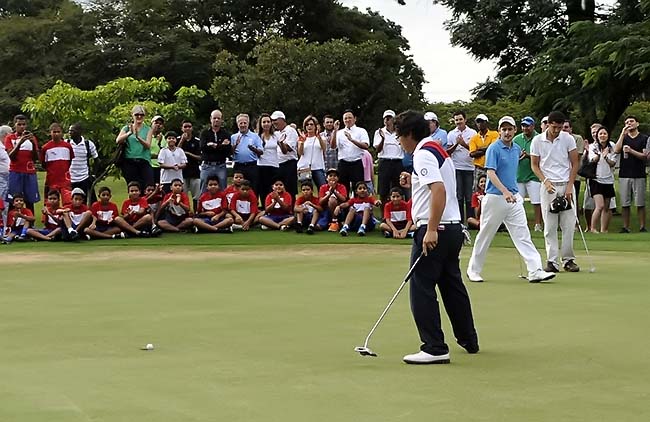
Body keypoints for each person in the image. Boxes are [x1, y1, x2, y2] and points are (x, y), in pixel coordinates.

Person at [395, 110, 479, 364]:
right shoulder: (437, 149)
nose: (399, 142)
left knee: (421, 286)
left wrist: (430, 229)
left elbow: (438, 190)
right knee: (452, 286)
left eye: (399, 137)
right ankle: (468, 339)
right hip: (453, 227)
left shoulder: (421, 153)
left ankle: (434, 347)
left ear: (409, 134)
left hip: (436, 229)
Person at [466, 116, 556, 283]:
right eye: (504, 129)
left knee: (523, 235)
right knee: (486, 234)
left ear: (515, 130)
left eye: (510, 129)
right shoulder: (494, 148)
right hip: (495, 198)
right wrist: (504, 191)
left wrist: (510, 193)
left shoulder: (516, 149)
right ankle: (473, 270)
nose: (507, 132)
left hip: (513, 199)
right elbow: (490, 173)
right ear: (499, 131)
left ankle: (535, 270)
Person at [530, 110, 580, 273]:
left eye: (560, 127)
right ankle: (552, 261)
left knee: (568, 224)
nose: (558, 130)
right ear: (548, 124)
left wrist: (569, 186)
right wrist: (545, 181)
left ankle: (568, 260)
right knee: (550, 226)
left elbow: (574, 163)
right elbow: (535, 165)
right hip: (548, 186)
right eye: (555, 127)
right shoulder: (537, 141)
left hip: (566, 183)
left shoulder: (568, 138)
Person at [614, 115, 648, 233]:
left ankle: (642, 226)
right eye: (627, 122)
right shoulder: (624, 137)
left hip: (639, 174)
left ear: (637, 124)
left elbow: (645, 156)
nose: (629, 123)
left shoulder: (644, 138)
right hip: (624, 174)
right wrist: (622, 134)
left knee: (640, 203)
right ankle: (625, 227)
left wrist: (631, 151)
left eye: (631, 121)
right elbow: (616, 150)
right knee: (625, 203)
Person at [5, 114, 40, 211]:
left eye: (24, 124)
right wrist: (20, 142)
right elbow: (11, 156)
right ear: (14, 125)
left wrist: (33, 143)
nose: (22, 127)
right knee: (14, 199)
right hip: (15, 171)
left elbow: (36, 158)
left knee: (30, 200)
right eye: (19, 124)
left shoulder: (32, 138)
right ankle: (11, 223)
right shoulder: (10, 138)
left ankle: (30, 223)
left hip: (29, 172)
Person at [513, 116, 543, 231]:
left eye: (528, 126)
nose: (525, 128)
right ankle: (520, 224)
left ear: (533, 126)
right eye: (523, 126)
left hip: (534, 175)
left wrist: (528, 155)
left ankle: (538, 225)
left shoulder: (539, 138)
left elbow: (542, 156)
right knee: (518, 202)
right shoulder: (516, 139)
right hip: (519, 175)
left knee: (536, 201)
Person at [446, 110, 477, 223]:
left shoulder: (473, 133)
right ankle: (459, 220)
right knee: (458, 196)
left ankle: (470, 220)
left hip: (469, 167)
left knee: (469, 196)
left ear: (465, 120)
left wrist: (463, 143)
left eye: (460, 119)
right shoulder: (451, 134)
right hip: (456, 167)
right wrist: (456, 144)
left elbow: (474, 151)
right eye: (456, 120)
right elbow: (448, 152)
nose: (458, 122)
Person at [331, 110, 369, 195]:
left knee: (358, 188)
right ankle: (344, 207)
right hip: (343, 164)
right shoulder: (339, 132)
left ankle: (358, 206)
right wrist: (335, 131)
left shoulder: (361, 131)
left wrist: (352, 140)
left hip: (356, 163)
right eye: (345, 118)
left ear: (355, 119)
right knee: (343, 189)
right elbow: (333, 146)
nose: (348, 120)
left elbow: (366, 146)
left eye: (350, 118)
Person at [115, 105, 153, 190]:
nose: (139, 117)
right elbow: (118, 140)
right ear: (132, 115)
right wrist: (129, 133)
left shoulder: (148, 129)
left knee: (148, 185)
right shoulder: (126, 128)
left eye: (141, 115)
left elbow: (148, 145)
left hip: (143, 160)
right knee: (133, 186)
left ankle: (145, 202)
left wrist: (138, 137)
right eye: (137, 115)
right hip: (129, 161)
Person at [587, 127, 617, 233]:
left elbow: (613, 162)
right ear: (597, 136)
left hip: (608, 180)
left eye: (605, 133)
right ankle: (593, 228)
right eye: (600, 134)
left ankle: (604, 229)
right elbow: (592, 160)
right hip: (596, 179)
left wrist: (606, 157)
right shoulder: (592, 147)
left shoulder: (612, 146)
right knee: (600, 206)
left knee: (607, 207)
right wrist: (599, 155)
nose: (602, 136)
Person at [373, 109, 404, 203]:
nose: (387, 121)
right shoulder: (379, 132)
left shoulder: (400, 132)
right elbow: (377, 150)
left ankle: (398, 212)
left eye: (389, 118)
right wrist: (383, 139)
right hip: (384, 161)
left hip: (397, 162)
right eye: (386, 119)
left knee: (397, 188)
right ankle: (384, 215)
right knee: (383, 190)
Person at [40, 122, 74, 204]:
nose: (56, 134)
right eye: (54, 132)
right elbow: (43, 164)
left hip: (65, 180)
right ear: (50, 133)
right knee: (51, 202)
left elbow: (70, 161)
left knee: (68, 202)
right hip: (52, 180)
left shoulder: (68, 146)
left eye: (58, 132)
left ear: (61, 133)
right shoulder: (45, 148)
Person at [199, 109, 231, 193]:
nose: (216, 120)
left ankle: (223, 206)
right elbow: (203, 148)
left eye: (218, 118)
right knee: (203, 188)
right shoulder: (204, 133)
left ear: (221, 120)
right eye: (214, 118)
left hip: (221, 165)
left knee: (223, 189)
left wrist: (214, 145)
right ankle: (202, 206)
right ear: (211, 119)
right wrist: (221, 145)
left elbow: (227, 150)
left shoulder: (226, 134)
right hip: (207, 165)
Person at [67, 123, 99, 203]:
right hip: (70, 178)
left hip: (84, 177)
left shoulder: (88, 144)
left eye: (72, 131)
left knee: (89, 200)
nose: (70, 133)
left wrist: (94, 174)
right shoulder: (66, 143)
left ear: (79, 132)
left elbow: (96, 159)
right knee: (71, 201)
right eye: (69, 131)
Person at [231, 113, 263, 190]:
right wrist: (235, 145)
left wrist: (253, 149)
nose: (243, 125)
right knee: (238, 189)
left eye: (245, 123)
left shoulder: (255, 136)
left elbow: (261, 152)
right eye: (240, 123)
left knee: (253, 189)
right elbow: (229, 153)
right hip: (239, 166)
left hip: (252, 166)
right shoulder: (233, 137)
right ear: (237, 124)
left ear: (248, 124)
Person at [272, 111, 299, 198]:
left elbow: (289, 148)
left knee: (289, 189)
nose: (274, 122)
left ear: (282, 119)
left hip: (289, 164)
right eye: (272, 120)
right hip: (278, 164)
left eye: (275, 120)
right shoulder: (276, 133)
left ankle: (291, 210)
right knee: (279, 190)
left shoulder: (290, 131)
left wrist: (281, 143)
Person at [177, 120, 202, 211]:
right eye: (185, 127)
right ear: (182, 128)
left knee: (196, 196)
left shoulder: (197, 141)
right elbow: (175, 152)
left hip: (194, 172)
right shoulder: (177, 139)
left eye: (189, 126)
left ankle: (196, 213)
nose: (187, 128)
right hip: (181, 173)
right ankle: (184, 213)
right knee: (183, 195)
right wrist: (182, 141)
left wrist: (188, 153)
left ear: (192, 128)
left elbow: (200, 157)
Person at [297, 115, 327, 189]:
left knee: (323, 188)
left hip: (318, 167)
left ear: (315, 126)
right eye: (307, 124)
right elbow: (300, 153)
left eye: (311, 124)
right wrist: (302, 142)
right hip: (305, 168)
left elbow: (324, 148)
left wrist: (319, 137)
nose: (309, 126)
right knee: (306, 190)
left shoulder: (321, 137)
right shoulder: (302, 138)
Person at [469, 113, 498, 186]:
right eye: (478, 122)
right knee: (478, 190)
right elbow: (472, 154)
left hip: (492, 167)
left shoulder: (494, 134)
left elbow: (493, 148)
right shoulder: (473, 138)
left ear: (486, 123)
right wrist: (487, 148)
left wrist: (479, 149)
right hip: (479, 168)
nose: (480, 124)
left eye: (482, 121)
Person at [256, 113, 280, 203]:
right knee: (263, 189)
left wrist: (282, 143)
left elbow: (284, 150)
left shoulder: (275, 136)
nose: (266, 124)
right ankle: (265, 208)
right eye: (264, 122)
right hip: (262, 165)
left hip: (274, 165)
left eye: (268, 122)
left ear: (271, 123)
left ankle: (274, 208)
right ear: (261, 124)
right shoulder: (257, 137)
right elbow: (257, 153)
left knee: (273, 189)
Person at [147, 115, 166, 183]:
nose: (158, 125)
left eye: (160, 124)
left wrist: (159, 142)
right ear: (151, 124)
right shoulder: (146, 136)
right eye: (156, 123)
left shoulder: (164, 138)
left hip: (159, 167)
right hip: (148, 165)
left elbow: (164, 152)